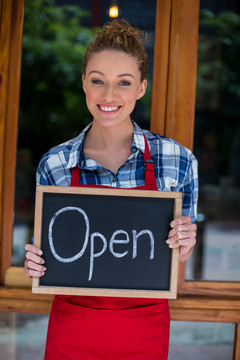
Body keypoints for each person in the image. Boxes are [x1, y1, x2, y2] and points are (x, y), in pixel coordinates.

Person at [24, 20, 198, 360]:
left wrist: (186, 242)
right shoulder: (55, 164)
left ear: (141, 88)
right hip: (72, 328)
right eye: (97, 81)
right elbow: (51, 256)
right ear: (84, 84)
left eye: (124, 83)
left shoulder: (177, 160)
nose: (108, 95)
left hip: (144, 331)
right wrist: (35, 261)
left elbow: (176, 263)